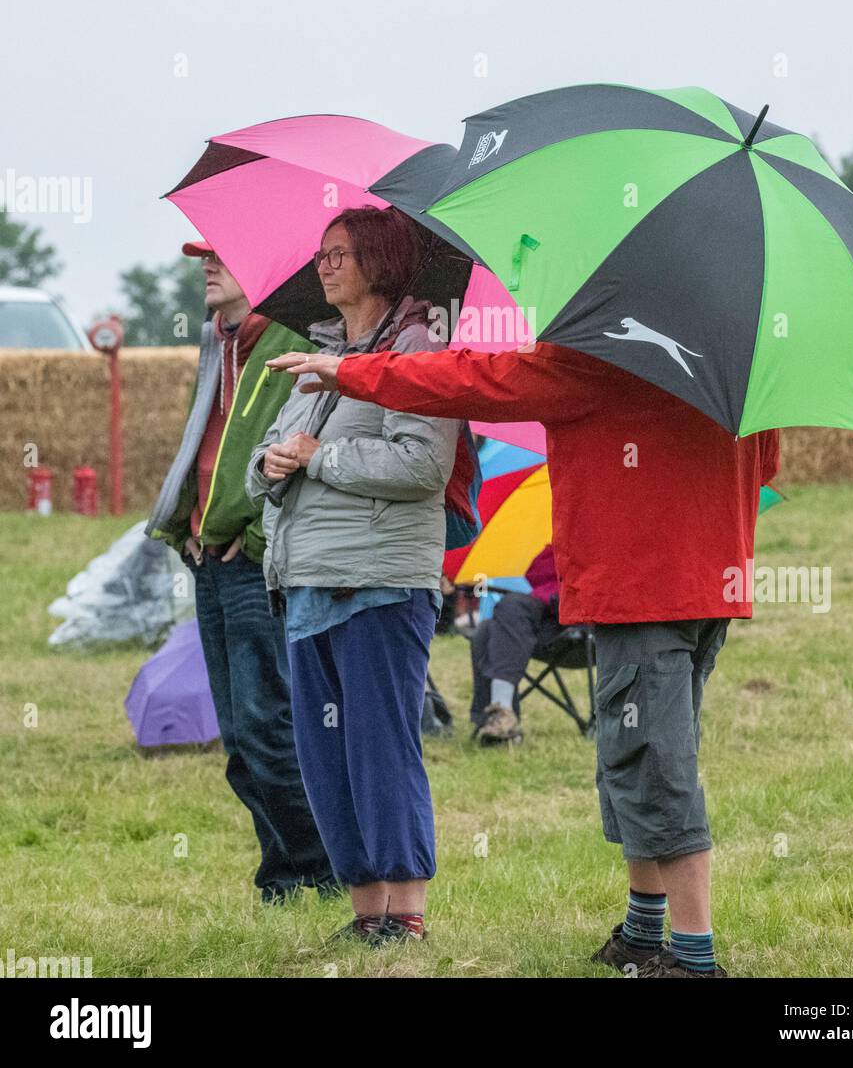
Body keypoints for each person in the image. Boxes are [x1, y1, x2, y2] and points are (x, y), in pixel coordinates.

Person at [282, 338, 780, 978]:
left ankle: (693, 956)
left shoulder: (602, 350)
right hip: (709, 583)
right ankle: (642, 930)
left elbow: (476, 380)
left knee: (655, 768)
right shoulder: (736, 353)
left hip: (639, 588)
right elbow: (763, 464)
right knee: (635, 757)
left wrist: (353, 370)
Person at [246, 207, 460, 947]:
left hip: (379, 582)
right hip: (307, 581)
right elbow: (271, 453)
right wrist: (268, 464)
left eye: (340, 253)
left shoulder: (418, 351)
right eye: (321, 253)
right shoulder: (319, 356)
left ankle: (407, 912)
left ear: (380, 260)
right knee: (325, 757)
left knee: (379, 747)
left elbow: (422, 464)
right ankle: (368, 911)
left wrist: (318, 460)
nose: (325, 265)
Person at [146, 241, 336, 904]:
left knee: (265, 725)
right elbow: (209, 443)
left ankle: (330, 866)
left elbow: (299, 445)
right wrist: (185, 525)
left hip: (251, 561)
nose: (205, 264)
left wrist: (256, 534)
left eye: (220, 253)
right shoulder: (217, 339)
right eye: (201, 255)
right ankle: (282, 876)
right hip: (207, 559)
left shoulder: (291, 340)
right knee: (238, 737)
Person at [470, 544, 562, 745]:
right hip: (546, 613)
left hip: (582, 622)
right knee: (486, 630)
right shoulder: (562, 536)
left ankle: (500, 717)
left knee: (511, 607)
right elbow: (534, 575)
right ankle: (499, 717)